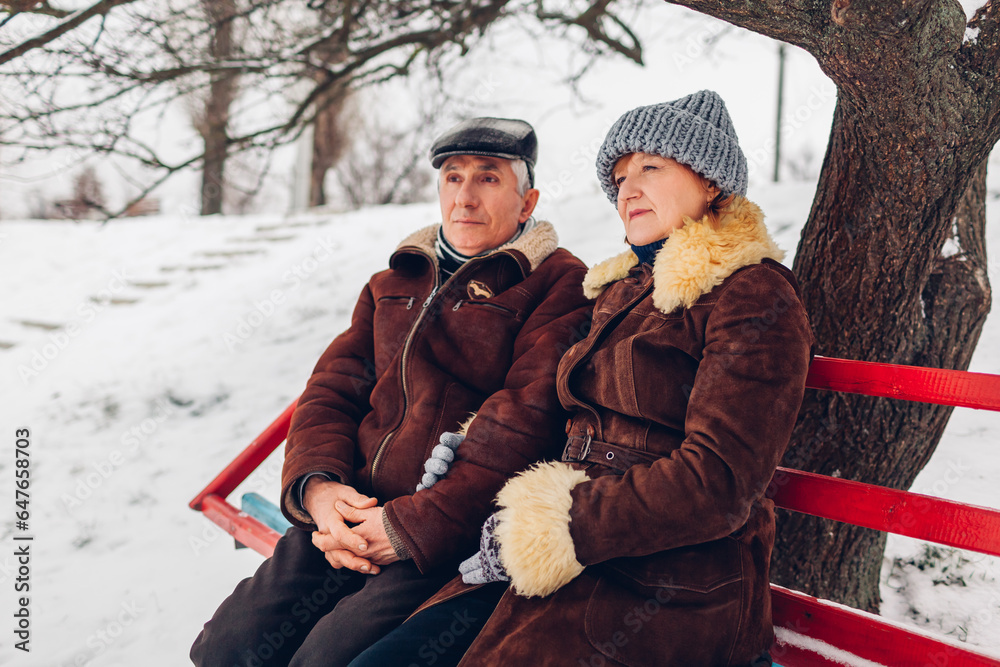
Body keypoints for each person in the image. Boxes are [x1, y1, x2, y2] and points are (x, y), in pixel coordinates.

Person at [348, 90, 814, 667]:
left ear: (711, 182)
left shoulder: (753, 293)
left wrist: (559, 523)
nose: (628, 188)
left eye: (651, 167)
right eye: (619, 176)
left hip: (667, 580)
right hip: (558, 548)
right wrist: (471, 451)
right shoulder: (621, 290)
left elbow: (718, 483)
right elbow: (560, 417)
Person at [190, 117, 593, 666]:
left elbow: (523, 423)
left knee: (324, 660)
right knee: (225, 649)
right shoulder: (394, 282)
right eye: (453, 178)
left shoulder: (558, 284)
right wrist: (320, 492)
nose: (466, 198)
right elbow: (331, 392)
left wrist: (409, 527)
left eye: (488, 179)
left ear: (528, 203)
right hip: (345, 514)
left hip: (442, 535)